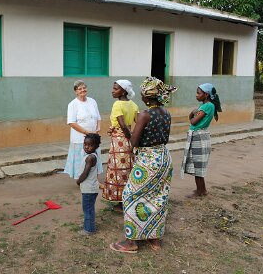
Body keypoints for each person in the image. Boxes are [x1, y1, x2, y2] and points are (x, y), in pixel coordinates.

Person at [109, 76, 177, 253]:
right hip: (164, 157)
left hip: (148, 160)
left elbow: (134, 142)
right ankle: (154, 238)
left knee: (130, 196)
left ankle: (131, 242)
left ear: (147, 96)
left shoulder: (144, 115)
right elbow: (166, 138)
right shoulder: (166, 113)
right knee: (158, 197)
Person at [101, 80, 139, 212]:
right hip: (129, 140)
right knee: (128, 169)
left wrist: (129, 138)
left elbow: (122, 125)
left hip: (120, 141)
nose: (112, 90)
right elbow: (138, 123)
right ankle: (129, 198)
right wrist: (134, 140)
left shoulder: (117, 104)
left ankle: (119, 203)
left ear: (123, 91)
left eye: (116, 89)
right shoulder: (133, 104)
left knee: (118, 171)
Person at [180, 83, 222, 198]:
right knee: (197, 164)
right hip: (199, 135)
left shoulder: (206, 106)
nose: (196, 95)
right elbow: (192, 119)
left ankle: (201, 191)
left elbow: (193, 121)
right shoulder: (208, 106)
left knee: (198, 166)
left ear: (206, 94)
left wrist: (192, 113)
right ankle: (201, 190)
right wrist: (193, 114)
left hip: (199, 136)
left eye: (199, 93)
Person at [63, 80, 103, 179]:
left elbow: (98, 117)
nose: (82, 90)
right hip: (80, 139)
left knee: (94, 158)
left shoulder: (92, 101)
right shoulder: (73, 104)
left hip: (93, 137)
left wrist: (98, 128)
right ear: (76, 91)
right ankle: (81, 180)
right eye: (79, 89)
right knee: (81, 161)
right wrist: (87, 132)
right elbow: (72, 123)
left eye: (84, 88)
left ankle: (94, 180)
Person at [76, 133, 102, 235]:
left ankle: (89, 229)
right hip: (89, 188)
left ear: (96, 146)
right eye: (85, 144)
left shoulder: (90, 158)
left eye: (90, 145)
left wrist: (78, 181)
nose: (86, 147)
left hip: (89, 189)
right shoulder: (90, 155)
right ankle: (88, 224)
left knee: (88, 209)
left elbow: (85, 173)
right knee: (88, 208)